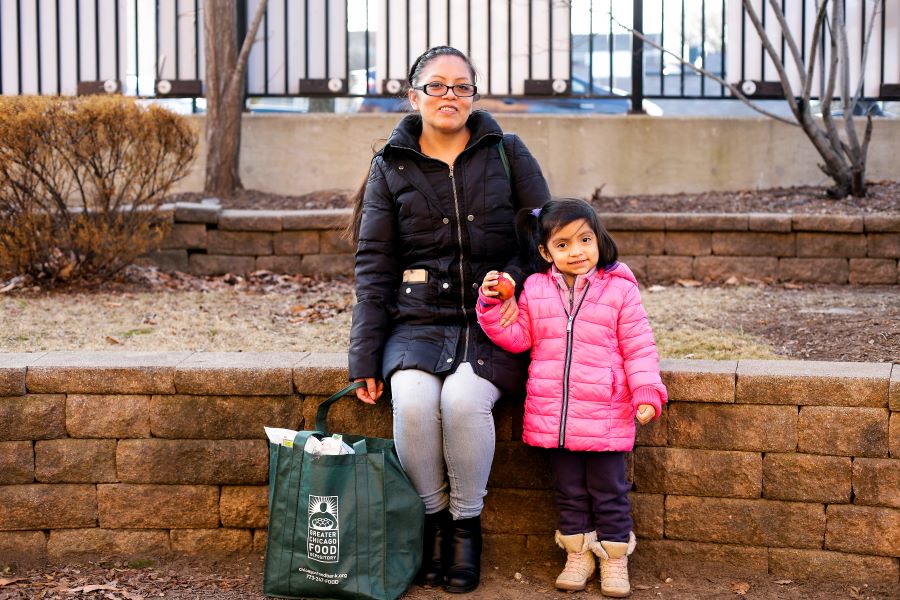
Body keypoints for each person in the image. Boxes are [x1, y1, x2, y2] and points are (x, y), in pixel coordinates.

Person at [348, 45, 551, 594]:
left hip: (495, 321)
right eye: (436, 86)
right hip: (416, 322)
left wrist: (511, 279)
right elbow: (375, 267)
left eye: (461, 86)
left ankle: (465, 527)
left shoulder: (507, 151)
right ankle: (433, 521)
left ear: (474, 97)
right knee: (413, 404)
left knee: (463, 403)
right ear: (413, 96)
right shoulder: (390, 166)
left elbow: (542, 241)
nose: (449, 96)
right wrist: (363, 359)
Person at [476, 198, 667, 598]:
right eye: (562, 245)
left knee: (610, 491)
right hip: (554, 416)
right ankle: (577, 554)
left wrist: (646, 391)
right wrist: (492, 305)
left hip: (605, 413)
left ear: (599, 239)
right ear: (545, 252)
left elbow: (639, 348)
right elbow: (517, 337)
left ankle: (614, 558)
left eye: (584, 239)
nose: (576, 251)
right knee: (569, 492)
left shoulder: (619, 291)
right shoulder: (536, 290)